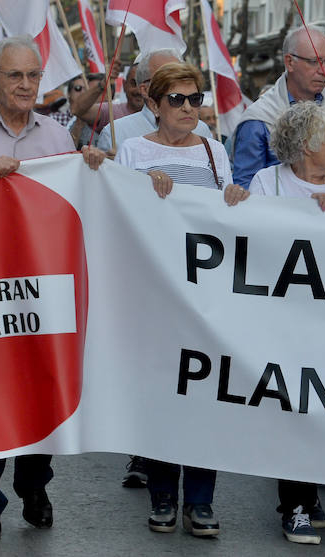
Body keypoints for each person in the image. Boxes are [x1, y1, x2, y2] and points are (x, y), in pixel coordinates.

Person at [0, 36, 106, 542]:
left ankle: (35, 484)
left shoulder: (56, 136)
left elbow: (74, 205)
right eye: (15, 76)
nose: (26, 85)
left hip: (44, 285)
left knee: (39, 391)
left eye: (33, 75)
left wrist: (90, 168)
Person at [116, 62, 247, 539]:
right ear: (154, 105)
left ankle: (201, 500)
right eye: (178, 100)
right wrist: (140, 190)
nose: (190, 108)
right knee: (163, 399)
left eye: (195, 99)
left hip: (204, 297)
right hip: (153, 293)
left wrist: (233, 195)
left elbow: (224, 219)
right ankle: (164, 496)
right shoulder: (131, 149)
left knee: (204, 397)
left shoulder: (214, 151)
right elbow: (117, 212)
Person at [247, 102, 325, 545]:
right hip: (284, 326)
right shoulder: (267, 182)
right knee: (292, 414)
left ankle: (309, 493)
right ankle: (293, 506)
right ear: (304, 147)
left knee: (323, 414)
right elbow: (250, 237)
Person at [231, 25, 325, 188]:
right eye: (314, 62)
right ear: (290, 62)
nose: (324, 71)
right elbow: (246, 187)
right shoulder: (259, 118)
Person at [95, 51, 214, 155]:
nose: (187, 107)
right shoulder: (115, 133)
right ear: (145, 89)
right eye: (166, 78)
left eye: (194, 98)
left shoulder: (202, 130)